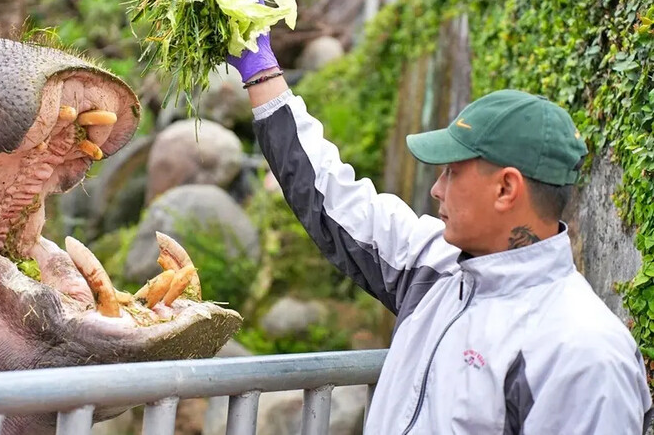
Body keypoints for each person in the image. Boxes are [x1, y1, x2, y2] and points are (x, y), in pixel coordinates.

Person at [226, 31, 653, 434]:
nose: (436, 188)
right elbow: (331, 198)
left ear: (506, 188)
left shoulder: (583, 354)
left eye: (451, 171)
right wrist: (262, 75)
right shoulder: (438, 267)